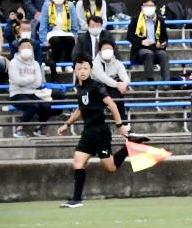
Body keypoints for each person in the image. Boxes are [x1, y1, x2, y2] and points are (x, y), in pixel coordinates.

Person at [54, 57, 134, 208]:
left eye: (85, 68)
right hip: (88, 133)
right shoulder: (80, 88)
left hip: (100, 133)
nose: (82, 71)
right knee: (78, 163)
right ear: (75, 71)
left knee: (111, 168)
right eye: (79, 68)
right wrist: (67, 124)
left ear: (90, 69)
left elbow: (112, 105)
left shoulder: (96, 86)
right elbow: (80, 109)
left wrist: (120, 125)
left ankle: (130, 146)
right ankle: (76, 200)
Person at [7, 38, 55, 137]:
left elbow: (38, 83)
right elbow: (17, 81)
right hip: (17, 94)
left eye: (29, 47)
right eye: (24, 47)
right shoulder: (13, 63)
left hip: (33, 93)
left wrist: (26, 81)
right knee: (33, 105)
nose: (26, 49)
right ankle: (19, 129)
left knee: (46, 105)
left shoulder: (35, 63)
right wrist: (31, 79)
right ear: (19, 49)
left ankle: (41, 128)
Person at [36, 0, 79, 77]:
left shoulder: (70, 5)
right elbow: (43, 23)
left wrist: (75, 35)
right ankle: (57, 63)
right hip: (53, 32)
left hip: (66, 31)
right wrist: (44, 39)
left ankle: (68, 63)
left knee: (69, 40)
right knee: (56, 40)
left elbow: (74, 21)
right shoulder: (47, 5)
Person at [89, 39, 131, 122]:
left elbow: (125, 76)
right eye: (105, 49)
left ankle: (122, 120)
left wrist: (124, 84)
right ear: (100, 51)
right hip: (98, 90)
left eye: (110, 49)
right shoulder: (94, 64)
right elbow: (103, 78)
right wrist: (117, 84)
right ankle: (119, 117)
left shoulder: (117, 63)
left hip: (113, 89)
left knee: (119, 90)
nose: (107, 51)